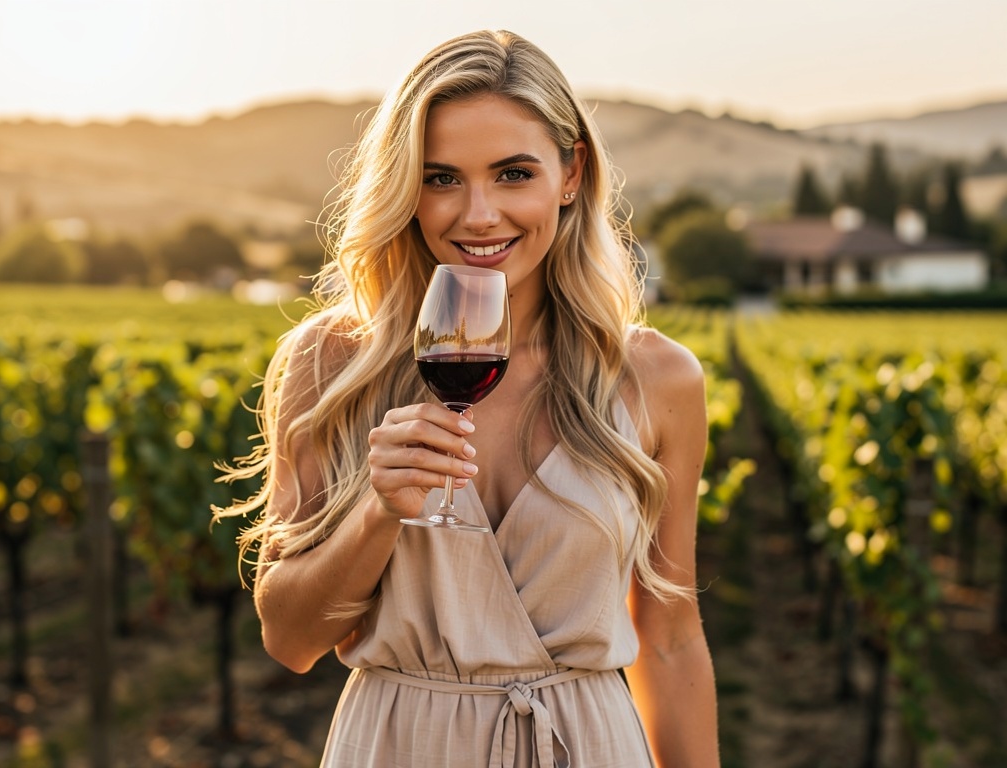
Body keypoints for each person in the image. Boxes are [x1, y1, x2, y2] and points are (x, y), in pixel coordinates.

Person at [216, 29, 719, 767]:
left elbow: (671, 640)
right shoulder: (332, 363)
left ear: (571, 171)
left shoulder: (657, 379)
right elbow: (289, 640)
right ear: (404, 187)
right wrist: (378, 511)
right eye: (441, 177)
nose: (477, 215)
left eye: (514, 174)